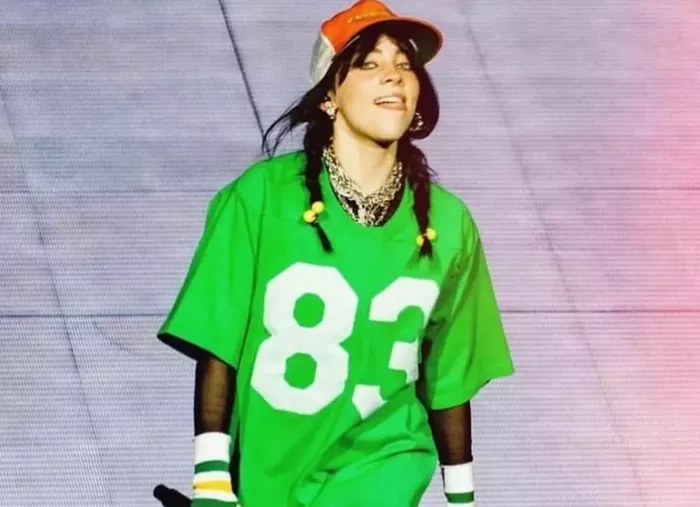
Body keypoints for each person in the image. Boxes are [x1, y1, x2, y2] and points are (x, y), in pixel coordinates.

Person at [156, 1, 515, 506]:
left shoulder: (449, 224)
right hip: (270, 472)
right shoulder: (261, 198)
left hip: (385, 466)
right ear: (329, 94)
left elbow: (449, 374)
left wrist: (463, 500)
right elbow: (220, 343)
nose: (393, 76)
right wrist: (212, 483)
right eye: (369, 63)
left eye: (405, 64)